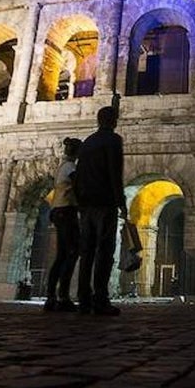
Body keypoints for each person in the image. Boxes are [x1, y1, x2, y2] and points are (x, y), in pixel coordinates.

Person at [74, 105, 126, 316]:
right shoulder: (113, 140)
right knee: (104, 251)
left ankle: (83, 298)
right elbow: (115, 172)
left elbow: (78, 174)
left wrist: (80, 201)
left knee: (86, 252)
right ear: (113, 121)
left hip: (87, 204)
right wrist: (120, 200)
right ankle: (101, 299)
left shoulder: (87, 142)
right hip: (105, 201)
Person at [44, 137, 82, 312]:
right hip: (66, 211)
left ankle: (52, 296)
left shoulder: (63, 166)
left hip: (58, 210)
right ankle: (62, 296)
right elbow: (79, 186)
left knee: (62, 255)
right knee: (71, 252)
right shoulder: (70, 167)